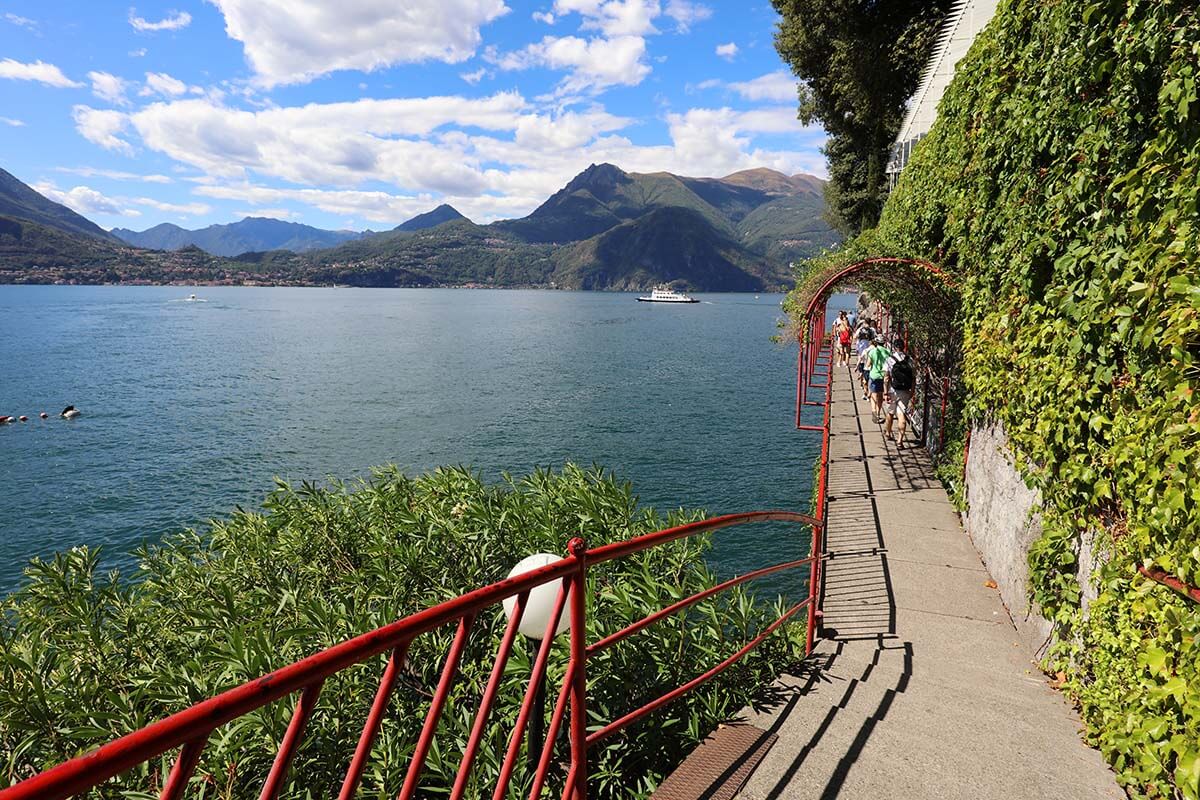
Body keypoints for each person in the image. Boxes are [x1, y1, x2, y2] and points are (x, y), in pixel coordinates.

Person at [883, 340, 915, 447]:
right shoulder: (910, 360)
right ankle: (900, 441)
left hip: (893, 389)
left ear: (894, 347)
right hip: (905, 391)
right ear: (904, 347)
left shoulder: (890, 360)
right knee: (901, 414)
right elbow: (913, 378)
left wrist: (886, 392)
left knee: (890, 412)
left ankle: (888, 432)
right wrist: (912, 391)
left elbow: (886, 378)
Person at [865, 336, 891, 422]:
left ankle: (874, 412)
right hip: (883, 376)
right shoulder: (888, 352)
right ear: (884, 343)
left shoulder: (872, 352)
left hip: (874, 375)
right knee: (880, 396)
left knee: (873, 394)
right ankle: (879, 413)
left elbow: (868, 364)